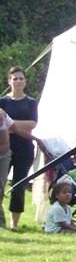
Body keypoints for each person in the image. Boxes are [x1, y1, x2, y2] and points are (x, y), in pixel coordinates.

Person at [0, 66, 38, 231]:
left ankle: (14, 223)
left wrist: (10, 123)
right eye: (15, 78)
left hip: (25, 148)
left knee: (19, 184)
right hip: (4, 147)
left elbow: (33, 124)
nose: (18, 81)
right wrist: (14, 126)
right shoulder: (2, 101)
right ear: (9, 81)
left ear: (25, 81)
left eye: (21, 78)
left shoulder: (31, 102)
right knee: (1, 184)